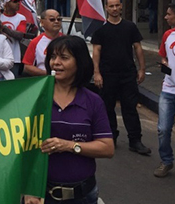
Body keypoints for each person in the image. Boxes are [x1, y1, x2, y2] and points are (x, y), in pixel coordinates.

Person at [24, 36, 114, 204]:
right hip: (40, 195)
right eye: (53, 57)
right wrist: (29, 190)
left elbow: (107, 148)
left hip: (83, 196)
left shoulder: (93, 101)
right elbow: (21, 147)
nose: (56, 62)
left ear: (79, 62)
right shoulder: (35, 97)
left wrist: (69, 146)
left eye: (64, 58)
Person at [91, 0, 150, 154]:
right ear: (106, 8)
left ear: (122, 6)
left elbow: (138, 48)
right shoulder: (101, 30)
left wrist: (142, 69)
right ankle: (111, 138)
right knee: (107, 107)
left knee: (130, 107)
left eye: (117, 5)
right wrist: (96, 73)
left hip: (127, 75)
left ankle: (135, 140)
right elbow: (96, 51)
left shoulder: (130, 27)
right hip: (107, 74)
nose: (115, 9)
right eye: (111, 6)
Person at [154, 1, 175, 181]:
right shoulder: (168, 35)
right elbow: (163, 55)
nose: (166, 17)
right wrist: (164, 64)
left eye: (169, 14)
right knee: (163, 129)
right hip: (168, 90)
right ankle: (167, 161)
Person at [0, 0, 36, 77]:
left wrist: (2, 27)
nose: (18, 4)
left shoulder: (21, 18)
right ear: (7, 3)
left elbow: (19, 35)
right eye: (14, 2)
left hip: (14, 57)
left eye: (18, 2)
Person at [23, 9, 64, 77]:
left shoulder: (67, 41)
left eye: (59, 19)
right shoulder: (35, 42)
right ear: (42, 22)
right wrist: (47, 73)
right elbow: (27, 67)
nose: (56, 22)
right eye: (52, 19)